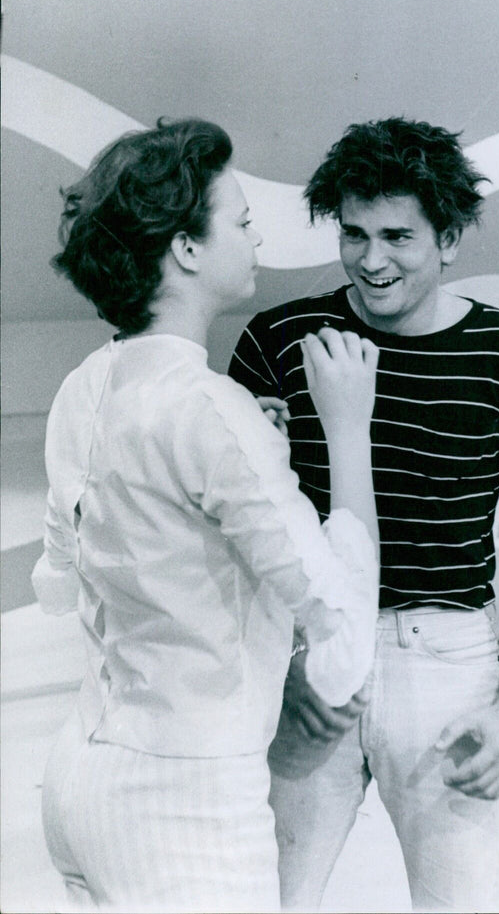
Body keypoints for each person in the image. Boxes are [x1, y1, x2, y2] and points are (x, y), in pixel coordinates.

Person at [31, 118, 381, 912]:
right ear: (186, 249)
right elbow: (344, 645)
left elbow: (57, 584)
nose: (257, 233)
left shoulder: (84, 385)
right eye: (241, 219)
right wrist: (347, 429)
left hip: (81, 781)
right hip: (186, 807)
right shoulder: (210, 409)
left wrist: (231, 467)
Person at [228, 117, 499, 912]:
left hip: (446, 659)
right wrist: (277, 674)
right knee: (262, 896)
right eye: (354, 233)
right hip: (306, 656)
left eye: (397, 236)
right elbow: (237, 535)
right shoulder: (278, 339)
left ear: (449, 237)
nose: (371, 259)